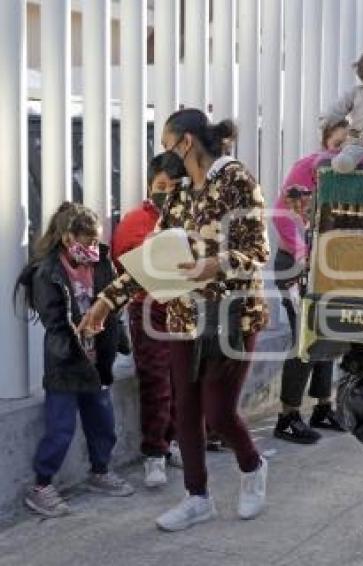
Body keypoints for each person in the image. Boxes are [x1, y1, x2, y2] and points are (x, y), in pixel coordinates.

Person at [78, 108, 270, 531]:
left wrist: (216, 265)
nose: (166, 153)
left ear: (186, 142)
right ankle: (197, 497)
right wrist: (107, 302)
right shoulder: (181, 194)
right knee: (185, 410)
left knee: (218, 414)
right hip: (184, 315)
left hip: (232, 317)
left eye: (167, 144)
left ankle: (253, 468)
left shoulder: (237, 180)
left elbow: (258, 252)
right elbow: (152, 261)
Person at [14, 203, 134, 517]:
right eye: (88, 240)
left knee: (103, 422)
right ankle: (41, 485)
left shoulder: (102, 262)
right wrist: (76, 340)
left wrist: (117, 339)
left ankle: (100, 471)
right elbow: (54, 320)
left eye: (96, 240)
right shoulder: (48, 271)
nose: (93, 247)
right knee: (60, 427)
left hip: (98, 362)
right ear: (68, 238)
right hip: (66, 364)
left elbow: (114, 305)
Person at [111, 153, 186, 487]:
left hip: (183, 307)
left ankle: (172, 441)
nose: (167, 192)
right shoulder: (135, 221)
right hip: (148, 309)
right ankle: (153, 453)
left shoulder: (189, 216)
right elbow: (126, 268)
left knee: (182, 381)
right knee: (157, 382)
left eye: (174, 187)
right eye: (162, 186)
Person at [271, 124, 348, 444]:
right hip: (296, 266)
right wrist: (304, 254)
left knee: (327, 332)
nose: (341, 150)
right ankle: (287, 415)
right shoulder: (311, 167)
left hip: (329, 267)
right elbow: (280, 213)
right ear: (325, 141)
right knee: (305, 335)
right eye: (336, 143)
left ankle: (322, 406)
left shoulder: (351, 173)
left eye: (348, 144)